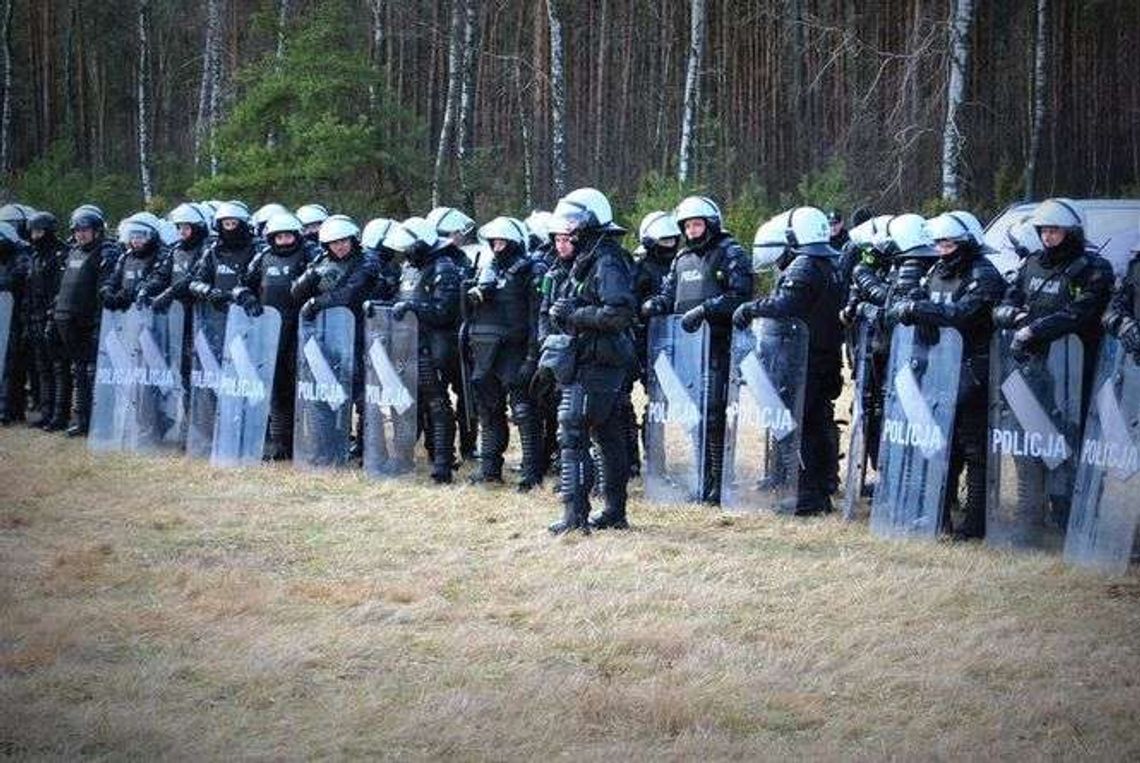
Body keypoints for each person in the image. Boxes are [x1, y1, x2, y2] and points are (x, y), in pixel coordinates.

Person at [887, 211, 1006, 539]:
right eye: (938, 242)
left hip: (975, 370)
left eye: (949, 242)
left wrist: (918, 310)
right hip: (940, 368)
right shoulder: (936, 270)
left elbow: (962, 314)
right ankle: (938, 516)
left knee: (974, 449)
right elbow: (913, 299)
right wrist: (910, 304)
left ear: (966, 241)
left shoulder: (984, 274)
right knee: (941, 444)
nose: (942, 248)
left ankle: (975, 524)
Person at [642, 196, 753, 504]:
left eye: (697, 224)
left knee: (714, 415)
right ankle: (703, 480)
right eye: (687, 225)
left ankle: (719, 484)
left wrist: (706, 309)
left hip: (719, 346)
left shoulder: (730, 252)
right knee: (694, 417)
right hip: (687, 350)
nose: (691, 230)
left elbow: (741, 295)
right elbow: (668, 293)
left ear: (711, 224)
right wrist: (655, 304)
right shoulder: (681, 259)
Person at [733, 206, 843, 514]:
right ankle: (820, 490)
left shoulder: (805, 265)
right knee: (818, 424)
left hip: (805, 360)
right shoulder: (829, 263)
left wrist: (751, 309)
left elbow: (786, 304)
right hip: (825, 356)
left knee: (803, 426)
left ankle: (807, 495)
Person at [540, 188, 637, 533]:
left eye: (572, 223)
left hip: (598, 364)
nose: (567, 231)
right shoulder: (589, 257)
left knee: (574, 433)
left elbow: (620, 313)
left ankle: (574, 516)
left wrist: (576, 314)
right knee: (608, 437)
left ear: (589, 223)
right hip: (592, 360)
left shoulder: (606, 260)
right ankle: (614, 511)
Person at [464, 216, 545, 490]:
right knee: (488, 410)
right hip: (485, 351)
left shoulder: (530, 270)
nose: (498, 246)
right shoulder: (485, 269)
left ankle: (532, 471)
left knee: (523, 411)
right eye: (494, 241)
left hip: (515, 350)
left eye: (503, 241)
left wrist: (532, 357)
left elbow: (536, 318)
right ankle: (489, 468)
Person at [385, 217, 462, 483]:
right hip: (407, 346)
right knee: (404, 405)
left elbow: (445, 311)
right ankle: (402, 457)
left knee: (438, 405)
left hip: (434, 348)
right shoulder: (408, 268)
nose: (405, 252)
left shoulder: (444, 267)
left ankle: (442, 463)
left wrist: (413, 308)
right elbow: (399, 300)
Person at [234, 212, 314, 459]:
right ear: (271, 238)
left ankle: (308, 441)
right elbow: (241, 284)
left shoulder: (309, 255)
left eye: (289, 235)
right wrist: (246, 297)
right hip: (270, 331)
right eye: (279, 236)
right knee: (277, 388)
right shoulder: (263, 258)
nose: (285, 240)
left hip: (302, 328)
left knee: (302, 387)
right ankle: (281, 444)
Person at [52, 205, 121, 436]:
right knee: (78, 372)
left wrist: (99, 325)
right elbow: (63, 288)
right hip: (68, 323)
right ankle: (82, 420)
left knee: (93, 374)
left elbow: (103, 291)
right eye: (77, 230)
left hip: (91, 325)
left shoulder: (105, 253)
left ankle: (100, 421)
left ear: (97, 231)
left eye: (85, 229)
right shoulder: (74, 253)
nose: (80, 234)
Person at [26, 212, 69, 430]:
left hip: (54, 316)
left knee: (58, 366)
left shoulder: (60, 254)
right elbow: (30, 289)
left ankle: (60, 414)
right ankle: (46, 411)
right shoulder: (34, 256)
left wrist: (52, 315)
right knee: (42, 367)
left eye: (39, 231)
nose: (35, 236)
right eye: (33, 232)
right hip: (35, 316)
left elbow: (61, 289)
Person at [0, 221, 30, 424]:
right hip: (4, 318)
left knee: (12, 365)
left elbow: (14, 280)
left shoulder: (21, 256)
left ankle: (8, 409)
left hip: (16, 318)